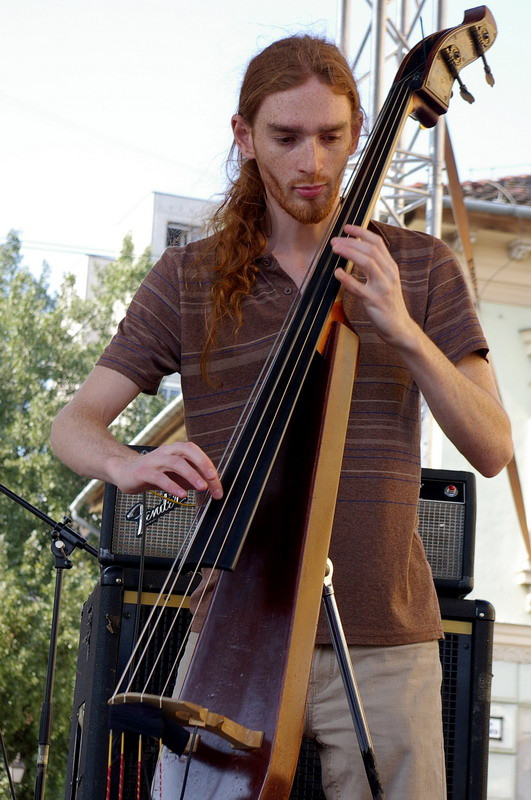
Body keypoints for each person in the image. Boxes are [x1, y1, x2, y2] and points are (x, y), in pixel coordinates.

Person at [51, 34, 512, 800]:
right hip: (232, 634)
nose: (312, 162)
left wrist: (399, 325)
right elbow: (73, 426)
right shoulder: (186, 280)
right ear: (244, 137)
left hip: (383, 639)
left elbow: (492, 446)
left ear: (359, 133)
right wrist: (124, 464)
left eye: (332, 137)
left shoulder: (419, 267)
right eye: (286, 138)